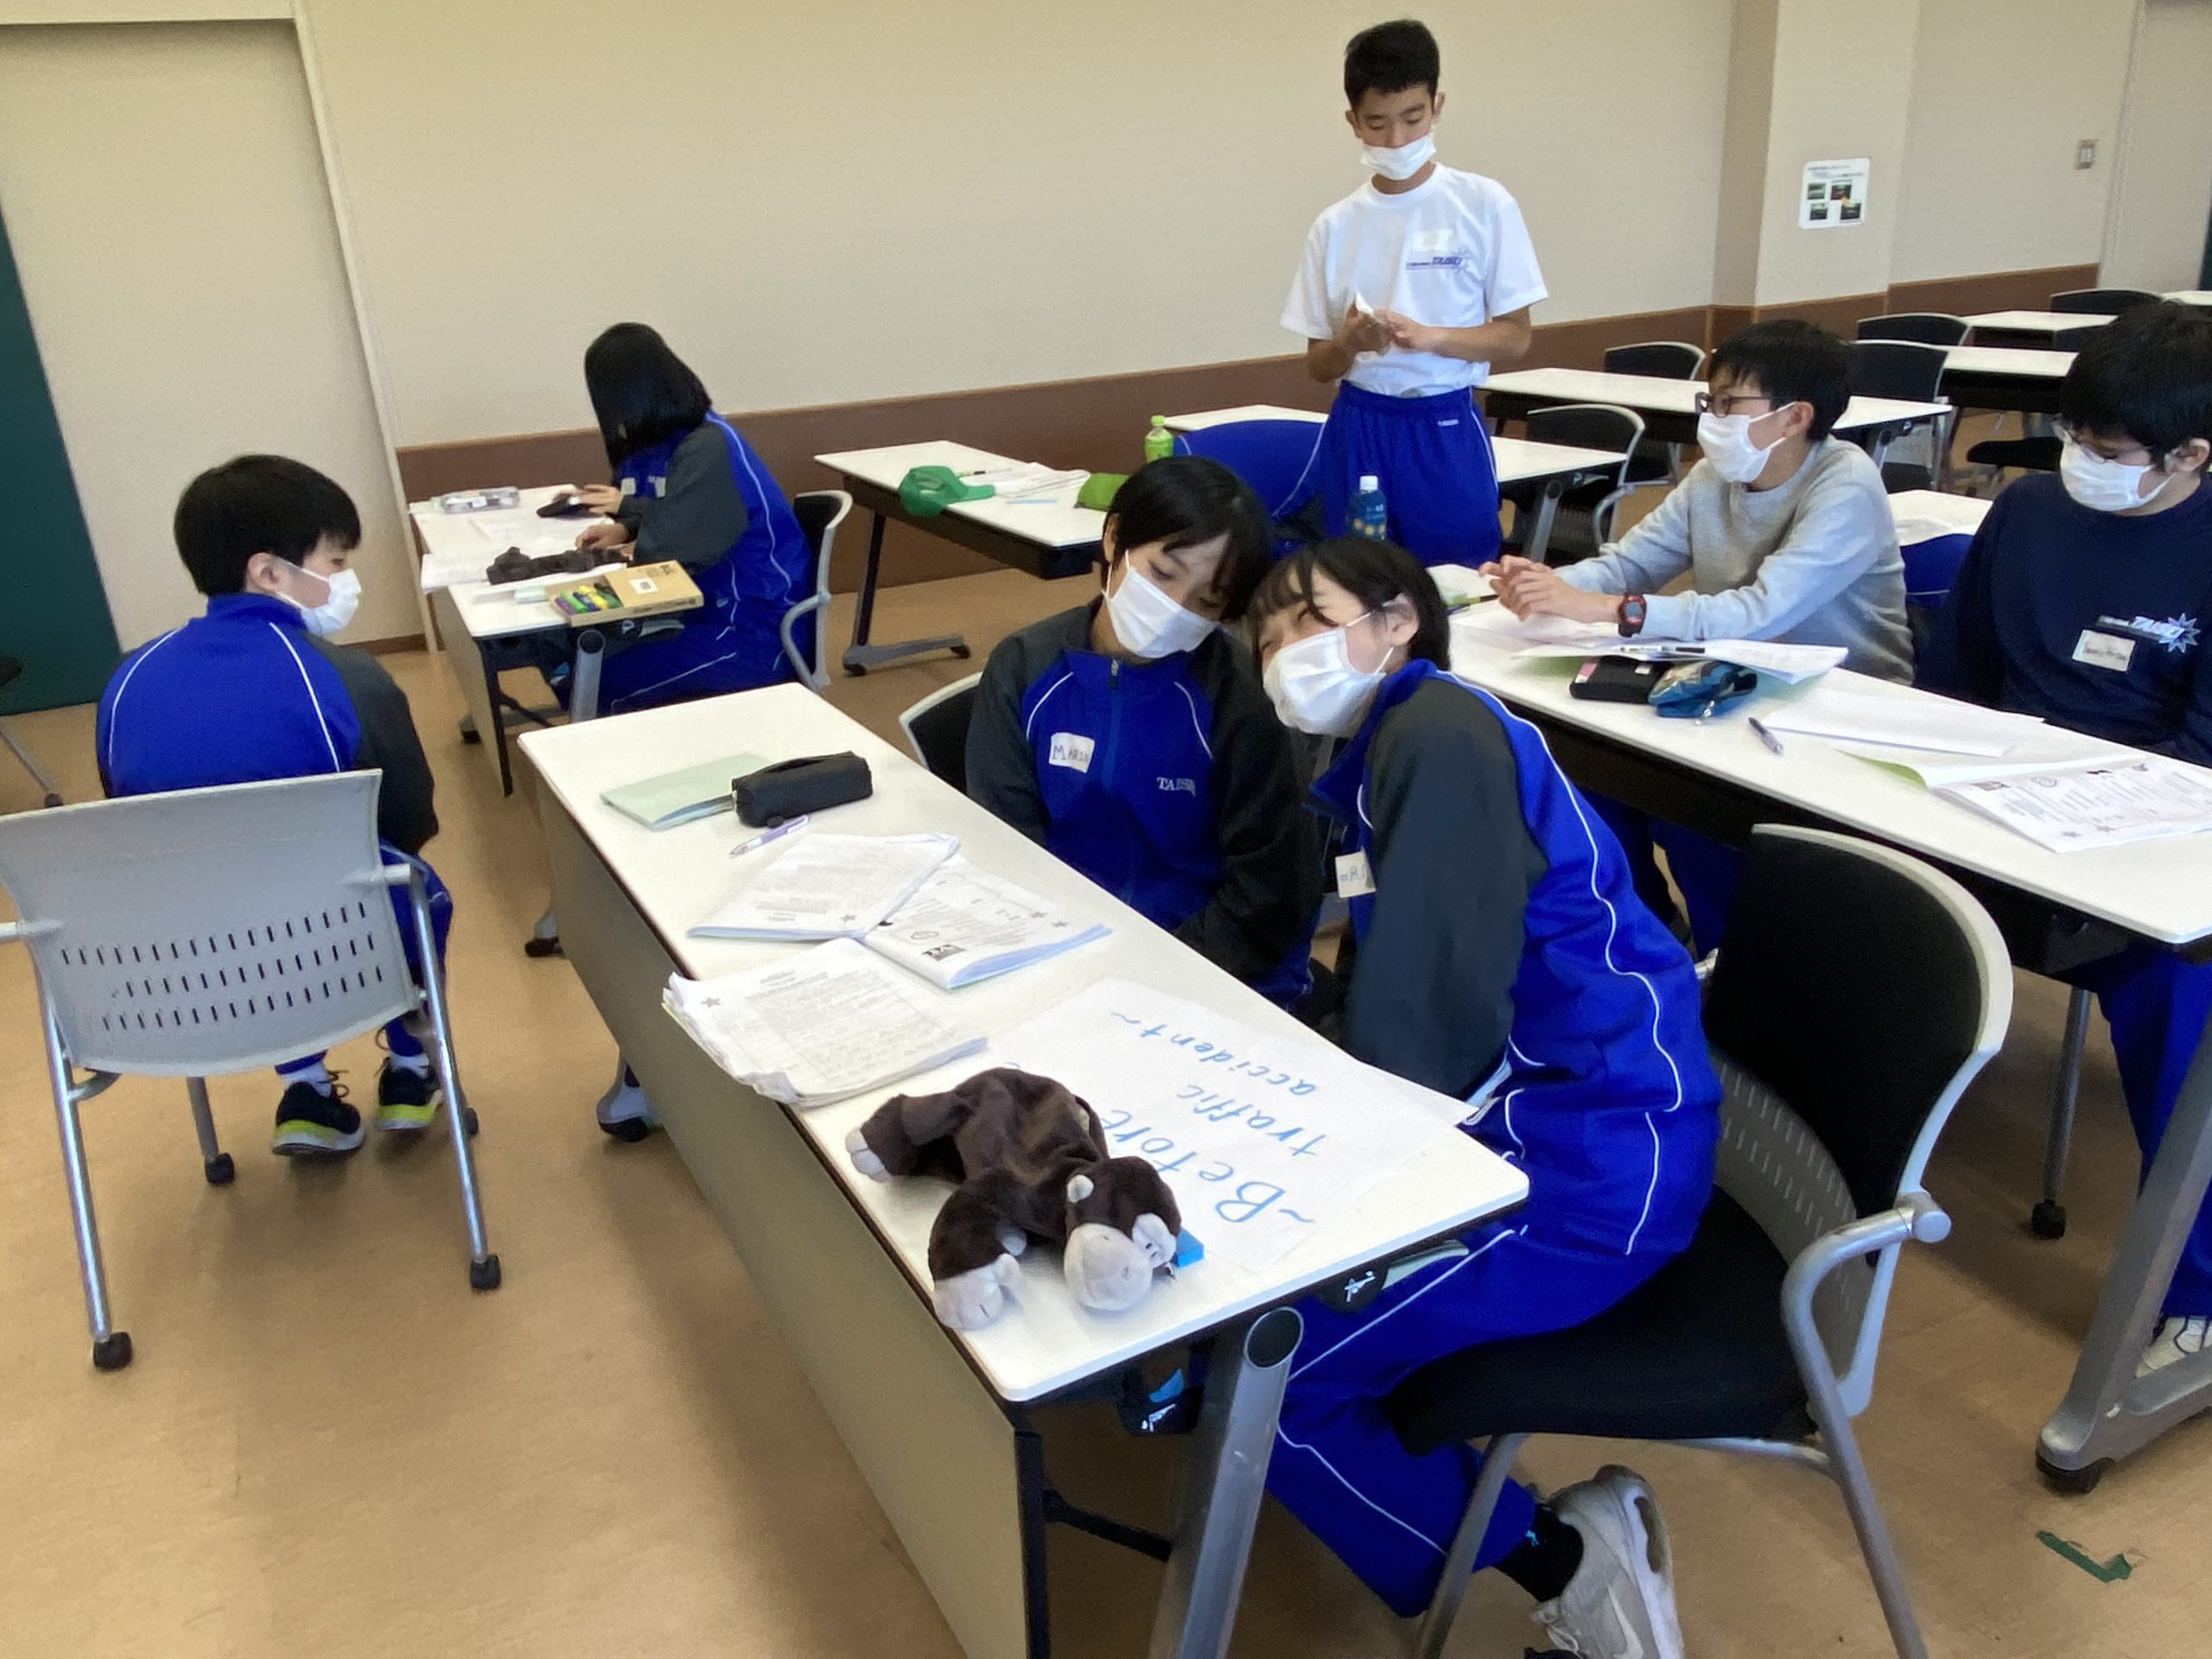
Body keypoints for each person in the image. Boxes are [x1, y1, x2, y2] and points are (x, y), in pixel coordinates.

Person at [1246, 537, 1719, 1658]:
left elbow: (1427, 1026)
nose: (1282, 649)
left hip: (1588, 1168)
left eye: (1309, 617)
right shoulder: (1397, 741)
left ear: (1397, 620)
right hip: (1543, 1120)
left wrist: (1300, 1154)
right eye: (1265, 633)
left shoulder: (1435, 735)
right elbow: (1402, 993)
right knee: (1268, 1290)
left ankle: (1568, 1562)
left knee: (1269, 1370)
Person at [1923, 300, 2212, 1375]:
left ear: (2190, 456)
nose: (2079, 460)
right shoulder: (2028, 511)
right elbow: (1954, 680)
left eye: (2108, 449)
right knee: (1806, 867)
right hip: (1989, 804)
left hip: (2143, 829)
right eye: (2072, 435)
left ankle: (2197, 1291)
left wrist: (2068, 802)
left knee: (2181, 986)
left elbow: (2201, 755)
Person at [1484, 318, 1912, 949]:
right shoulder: (1714, 475)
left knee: (1694, 814)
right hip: (1730, 680)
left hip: (1839, 701)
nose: (1712, 419)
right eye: (1709, 400)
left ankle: (1730, 958)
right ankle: (1644, 937)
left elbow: (1759, 612)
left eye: (1730, 403)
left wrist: (1612, 610)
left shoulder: (1845, 484)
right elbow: (1631, 564)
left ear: (1796, 417)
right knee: (1592, 776)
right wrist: (1544, 584)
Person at [96, 455, 449, 1156]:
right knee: (413, 885)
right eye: (335, 562)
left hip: (178, 971)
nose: (346, 580)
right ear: (268, 572)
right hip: (333, 952)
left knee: (235, 885)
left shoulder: (127, 680)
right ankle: (412, 1069)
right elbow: (409, 819)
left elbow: (129, 818)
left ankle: (304, 1087)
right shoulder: (348, 678)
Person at [966, 455, 1321, 1006]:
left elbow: (1266, 891)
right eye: (1162, 574)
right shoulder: (1023, 666)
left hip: (1209, 973)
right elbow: (1006, 846)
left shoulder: (1244, 698)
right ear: (1114, 538)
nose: (1174, 609)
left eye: (1207, 600)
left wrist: (1150, 981)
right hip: (1064, 957)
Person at [1279, 18, 1545, 566]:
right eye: (1377, 123)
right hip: (1359, 422)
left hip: (1444, 423)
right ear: (1353, 121)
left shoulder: (1483, 203)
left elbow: (1516, 337)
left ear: (1437, 106)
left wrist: (1430, 337)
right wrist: (1350, 343)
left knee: (1458, 579)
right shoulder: (1335, 225)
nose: (1396, 139)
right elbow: (1318, 366)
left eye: (1412, 118)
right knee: (1355, 580)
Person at [558, 321, 808, 716]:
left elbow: (667, 549)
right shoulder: (667, 439)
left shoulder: (708, 445)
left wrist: (628, 532)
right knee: (575, 656)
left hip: (750, 628)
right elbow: (674, 511)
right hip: (701, 610)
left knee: (590, 678)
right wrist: (626, 526)